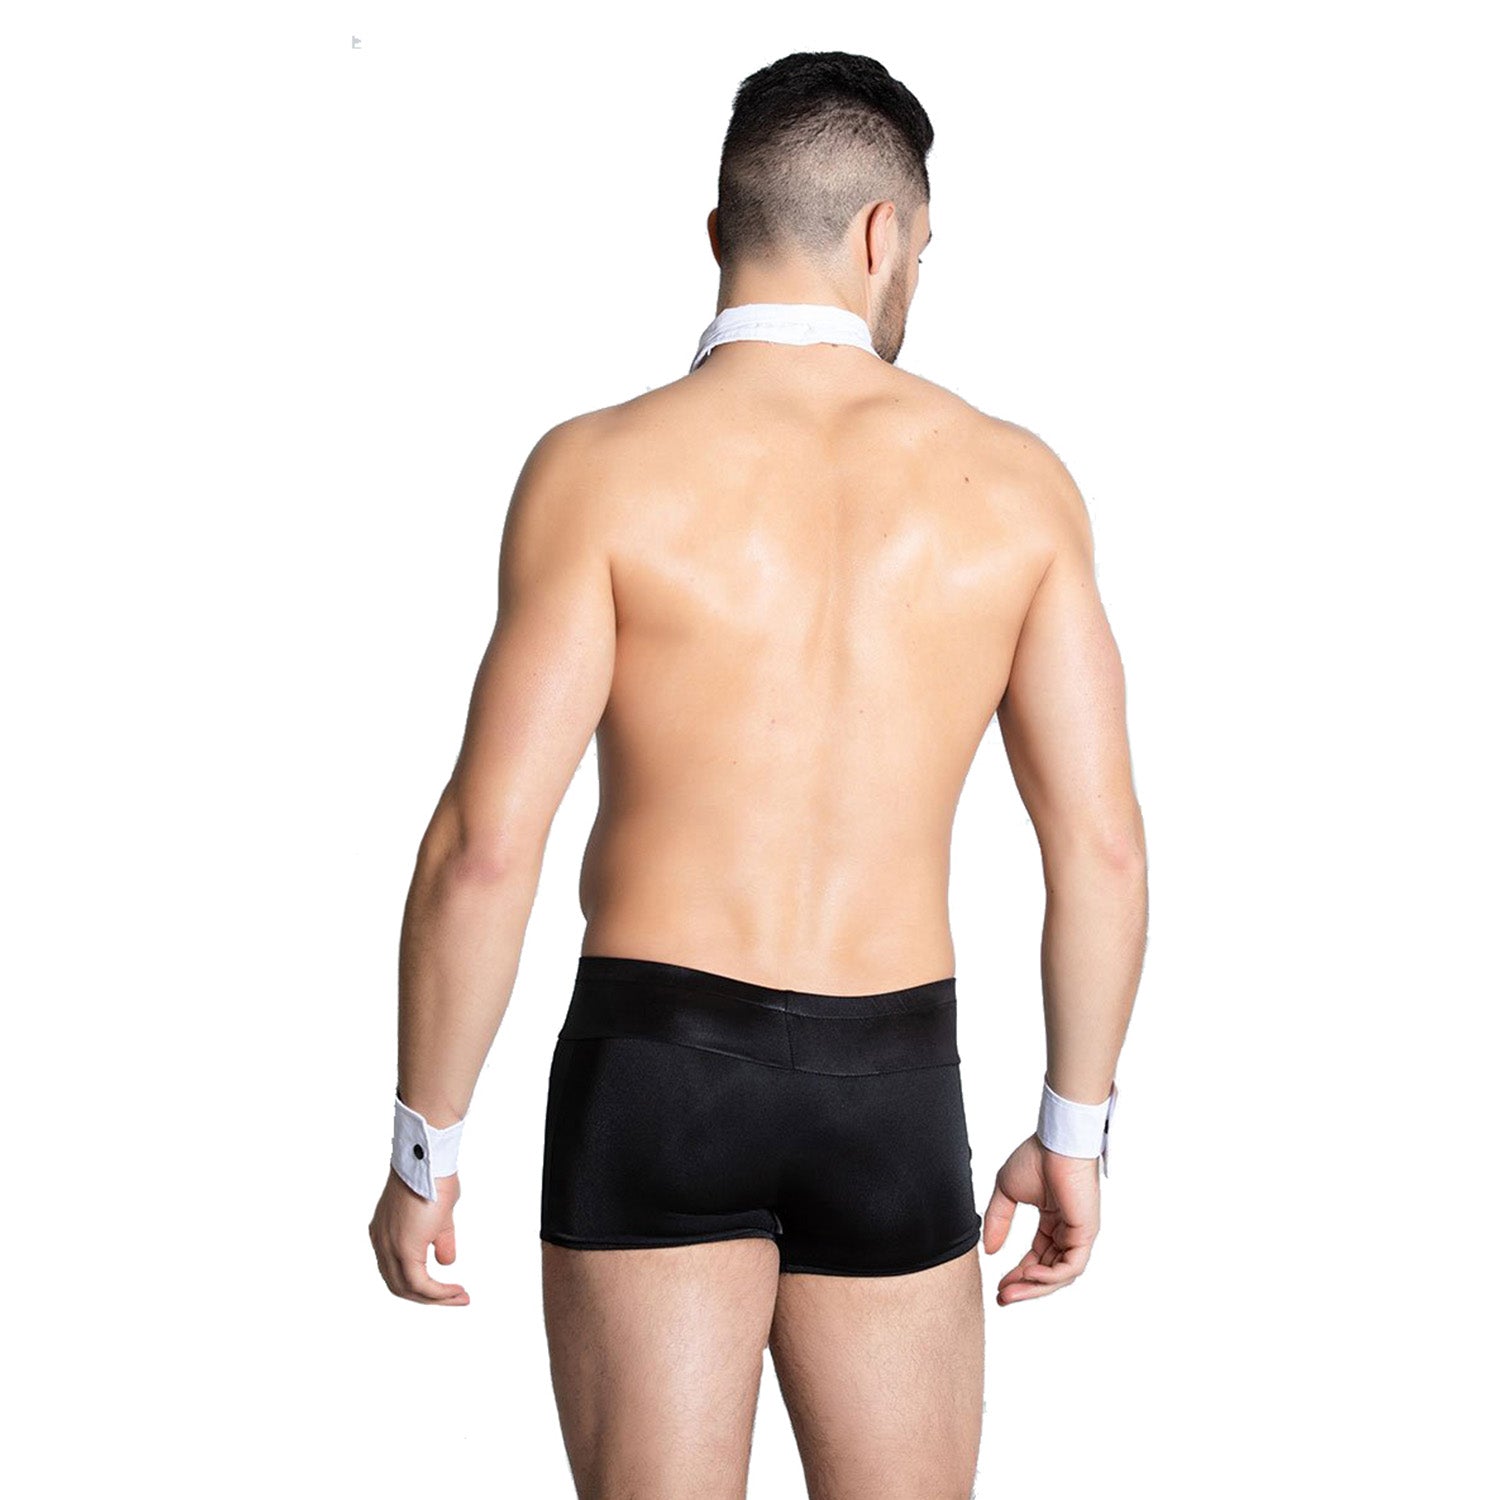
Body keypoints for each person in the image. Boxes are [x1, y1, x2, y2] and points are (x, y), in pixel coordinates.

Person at [368, 49, 1147, 1500]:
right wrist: (1074, 1132)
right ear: (884, 235)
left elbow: (483, 847)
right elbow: (1100, 849)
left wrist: (428, 1144)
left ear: (722, 231)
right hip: (892, 1084)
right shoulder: (1019, 488)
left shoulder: (598, 470)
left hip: (657, 1070)